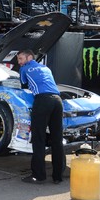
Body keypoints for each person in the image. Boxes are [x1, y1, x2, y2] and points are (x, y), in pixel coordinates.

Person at [17, 49, 65, 184]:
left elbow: (23, 86)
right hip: (57, 100)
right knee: (57, 139)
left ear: (29, 57)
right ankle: (57, 176)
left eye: (21, 59)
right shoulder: (45, 68)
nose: (19, 62)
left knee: (39, 138)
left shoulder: (25, 69)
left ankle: (39, 175)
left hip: (43, 100)